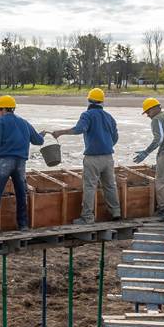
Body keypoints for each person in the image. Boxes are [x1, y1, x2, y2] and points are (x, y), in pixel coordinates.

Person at [50, 88, 121, 225]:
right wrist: (106, 145)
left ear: (89, 100)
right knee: (110, 186)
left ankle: (87, 217)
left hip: (92, 157)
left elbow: (79, 129)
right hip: (108, 157)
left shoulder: (87, 115)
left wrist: (60, 132)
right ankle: (116, 212)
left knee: (89, 187)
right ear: (102, 102)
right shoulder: (109, 117)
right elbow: (115, 138)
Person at [0, 96, 44, 234]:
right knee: (21, 192)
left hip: (5, 160)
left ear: (4, 109)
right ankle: (23, 224)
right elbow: (38, 141)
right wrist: (42, 134)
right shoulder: (24, 122)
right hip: (21, 162)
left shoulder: (0, 122)